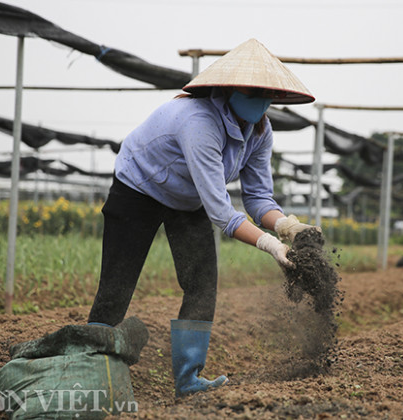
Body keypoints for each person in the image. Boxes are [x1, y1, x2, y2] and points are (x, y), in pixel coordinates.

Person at [87, 38, 317, 398]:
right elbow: (221, 211)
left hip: (187, 201)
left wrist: (288, 226)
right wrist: (270, 245)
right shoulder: (199, 121)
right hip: (139, 188)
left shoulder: (260, 131)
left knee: (201, 283)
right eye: (251, 91)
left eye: (266, 93)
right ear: (229, 89)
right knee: (118, 283)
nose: (259, 100)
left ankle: (189, 380)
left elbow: (257, 197)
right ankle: (91, 366)